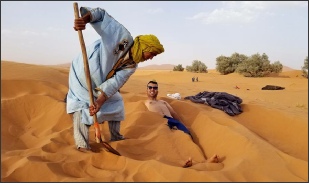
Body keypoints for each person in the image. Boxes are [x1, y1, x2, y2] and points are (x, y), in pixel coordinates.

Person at [66, 6, 164, 152]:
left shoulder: (132, 65)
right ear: (145, 46)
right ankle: (82, 144)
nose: (151, 58)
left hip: (100, 80)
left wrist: (99, 101)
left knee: (116, 101)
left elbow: (114, 83)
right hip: (83, 69)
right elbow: (101, 15)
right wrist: (84, 20)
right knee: (82, 105)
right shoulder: (123, 38)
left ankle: (116, 136)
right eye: (152, 53)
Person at [144, 80, 220, 168]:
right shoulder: (145, 103)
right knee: (170, 141)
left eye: (155, 88)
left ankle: (202, 160)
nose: (152, 89)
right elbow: (143, 118)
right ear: (147, 90)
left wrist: (182, 124)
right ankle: (182, 162)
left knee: (187, 136)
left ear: (157, 90)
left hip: (172, 120)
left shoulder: (163, 102)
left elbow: (174, 113)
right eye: (150, 87)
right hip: (161, 122)